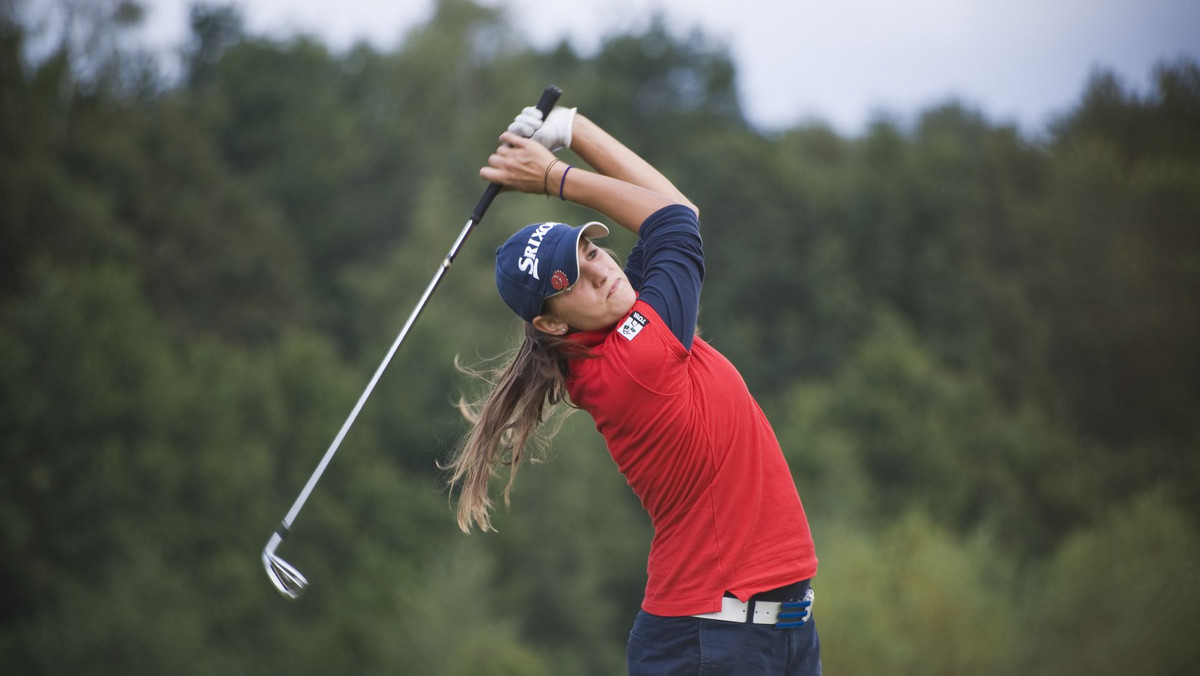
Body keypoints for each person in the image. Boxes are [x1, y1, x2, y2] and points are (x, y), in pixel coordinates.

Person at [444, 104, 821, 675]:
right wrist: (553, 177)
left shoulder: (621, 329)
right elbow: (673, 223)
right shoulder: (634, 360)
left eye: (591, 250)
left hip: (772, 634)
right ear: (549, 323)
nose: (602, 271)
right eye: (573, 278)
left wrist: (572, 129)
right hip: (712, 639)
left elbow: (678, 210)